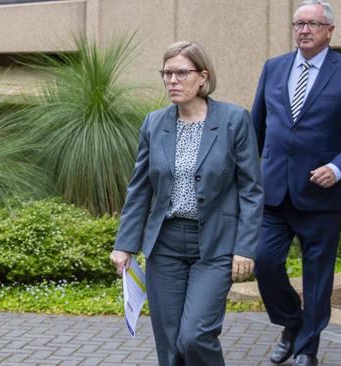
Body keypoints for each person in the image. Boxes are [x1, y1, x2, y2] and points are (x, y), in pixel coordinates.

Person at [110, 41, 263, 366]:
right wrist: (125, 244)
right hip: (164, 245)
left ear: (203, 77)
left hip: (215, 244)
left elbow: (251, 189)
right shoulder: (154, 123)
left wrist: (245, 248)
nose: (172, 80)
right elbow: (140, 189)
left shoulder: (234, 120)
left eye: (181, 72)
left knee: (195, 335)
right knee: (170, 342)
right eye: (166, 73)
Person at [251, 1, 341, 365]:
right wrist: (244, 177)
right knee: (264, 262)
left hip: (323, 197)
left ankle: (307, 348)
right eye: (299, 23)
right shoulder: (273, 67)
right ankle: (292, 322)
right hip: (274, 193)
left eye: (312, 24)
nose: (304, 29)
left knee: (318, 280)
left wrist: (338, 169)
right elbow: (255, 127)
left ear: (329, 31)